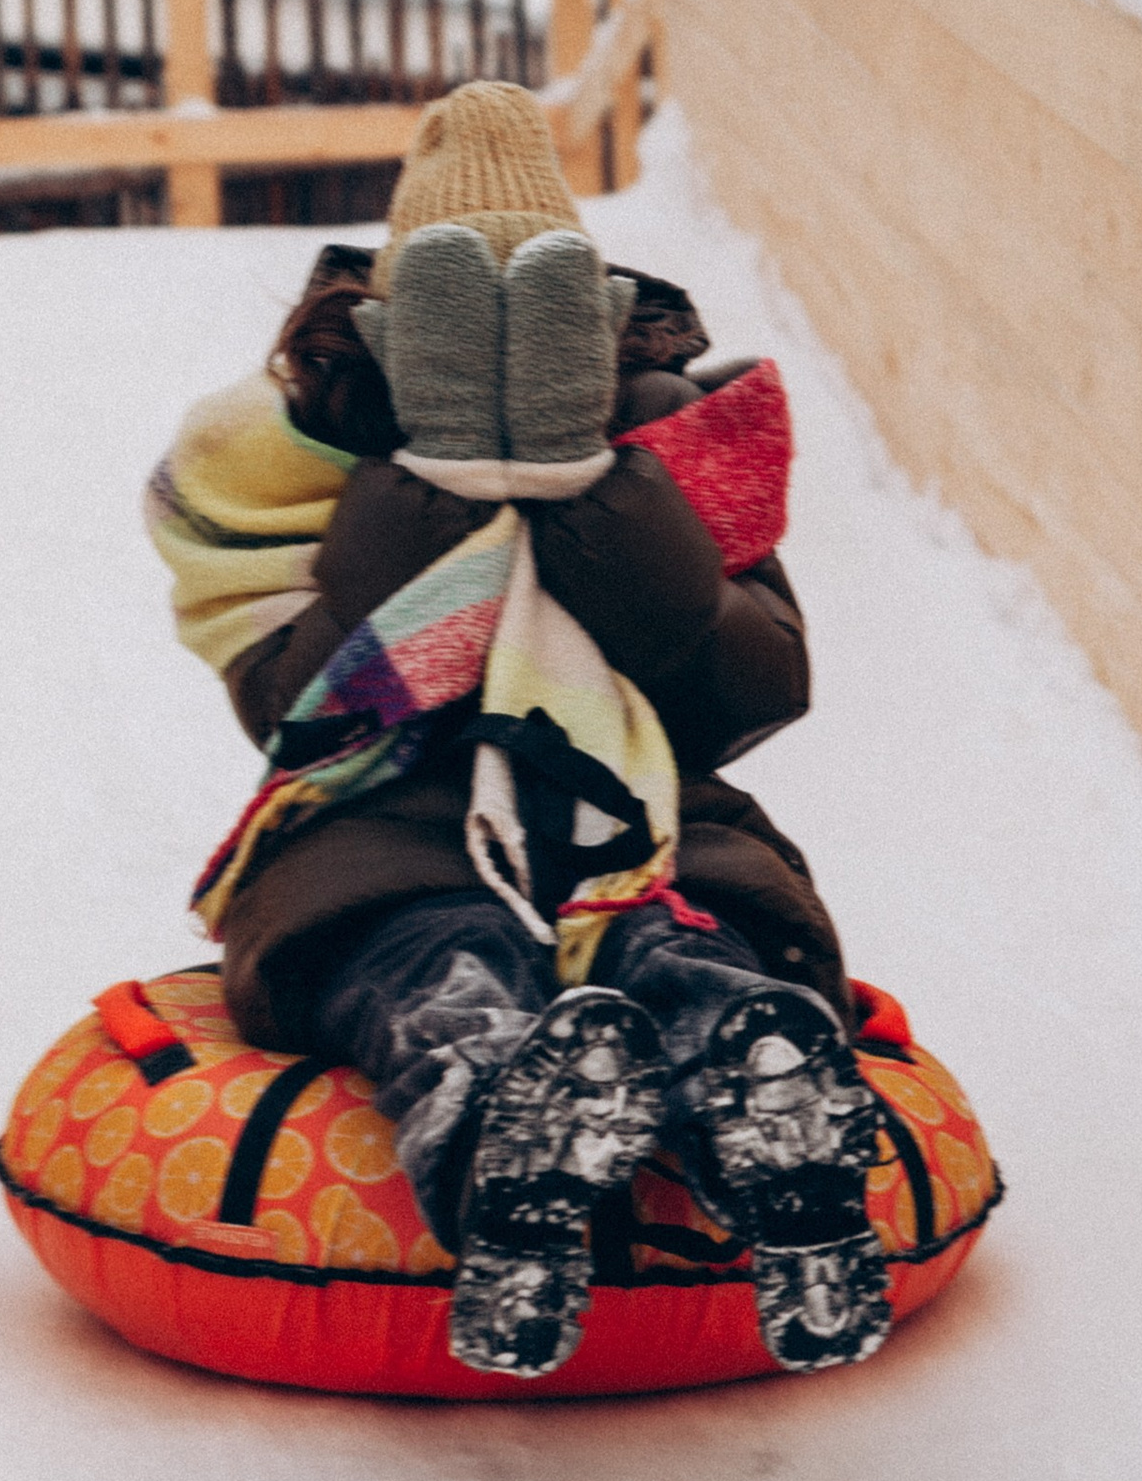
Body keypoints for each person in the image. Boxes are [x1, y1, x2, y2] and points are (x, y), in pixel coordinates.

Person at [146, 80, 888, 1386]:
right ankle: (506, 1122)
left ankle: (768, 1105)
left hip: (643, 814)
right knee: (421, 945)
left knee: (686, 930)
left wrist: (586, 482)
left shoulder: (665, 437)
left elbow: (748, 685)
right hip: (384, 813)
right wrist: (434, 486)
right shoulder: (286, 464)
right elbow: (306, 711)